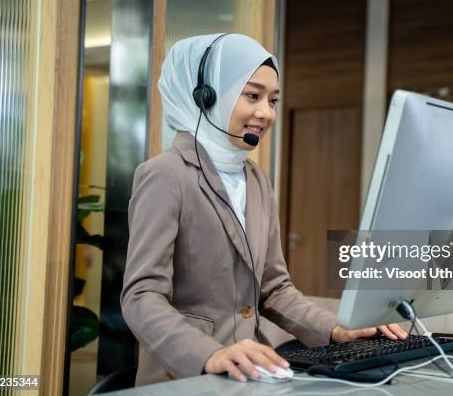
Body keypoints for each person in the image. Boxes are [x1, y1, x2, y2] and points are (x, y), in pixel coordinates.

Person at [120, 33, 407, 386]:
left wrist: (336, 328)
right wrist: (207, 353)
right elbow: (141, 296)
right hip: (184, 377)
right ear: (206, 97)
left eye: (272, 100)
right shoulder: (165, 176)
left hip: (254, 373)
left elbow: (274, 289)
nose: (265, 113)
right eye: (252, 96)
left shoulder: (255, 180)